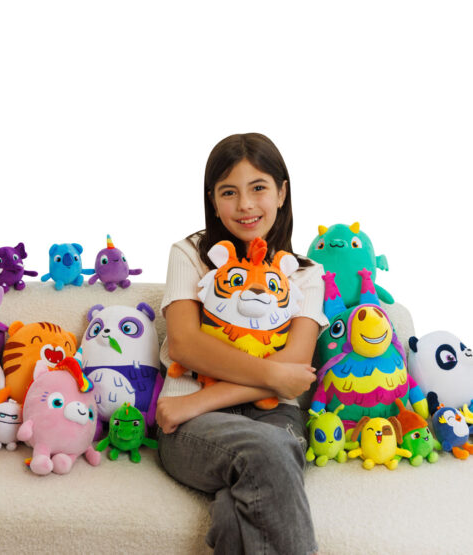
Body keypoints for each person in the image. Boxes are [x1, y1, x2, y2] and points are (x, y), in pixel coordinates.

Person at [156, 133, 328, 555]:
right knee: (269, 451)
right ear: (213, 201)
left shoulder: (306, 274)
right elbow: (185, 345)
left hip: (247, 413)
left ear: (282, 193)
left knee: (237, 511)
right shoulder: (189, 254)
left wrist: (197, 402)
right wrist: (273, 376)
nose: (245, 205)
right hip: (193, 427)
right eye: (229, 192)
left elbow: (296, 366)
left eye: (258, 188)